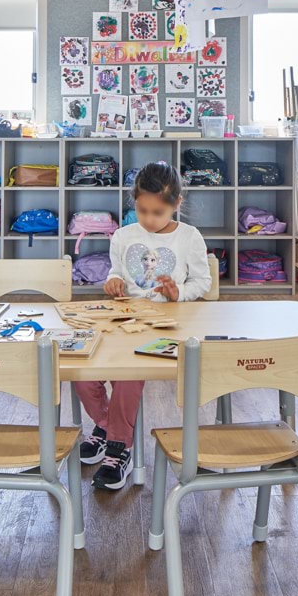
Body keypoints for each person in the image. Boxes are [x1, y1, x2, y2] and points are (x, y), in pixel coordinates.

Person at [76, 163, 212, 490]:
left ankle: (118, 445)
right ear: (133, 201)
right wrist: (112, 283)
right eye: (142, 210)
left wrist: (178, 292)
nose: (149, 219)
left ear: (177, 203)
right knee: (82, 371)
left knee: (128, 376)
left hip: (166, 323)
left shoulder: (189, 237)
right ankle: (108, 427)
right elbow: (115, 273)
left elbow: (203, 282)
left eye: (158, 211)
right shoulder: (123, 236)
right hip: (123, 319)